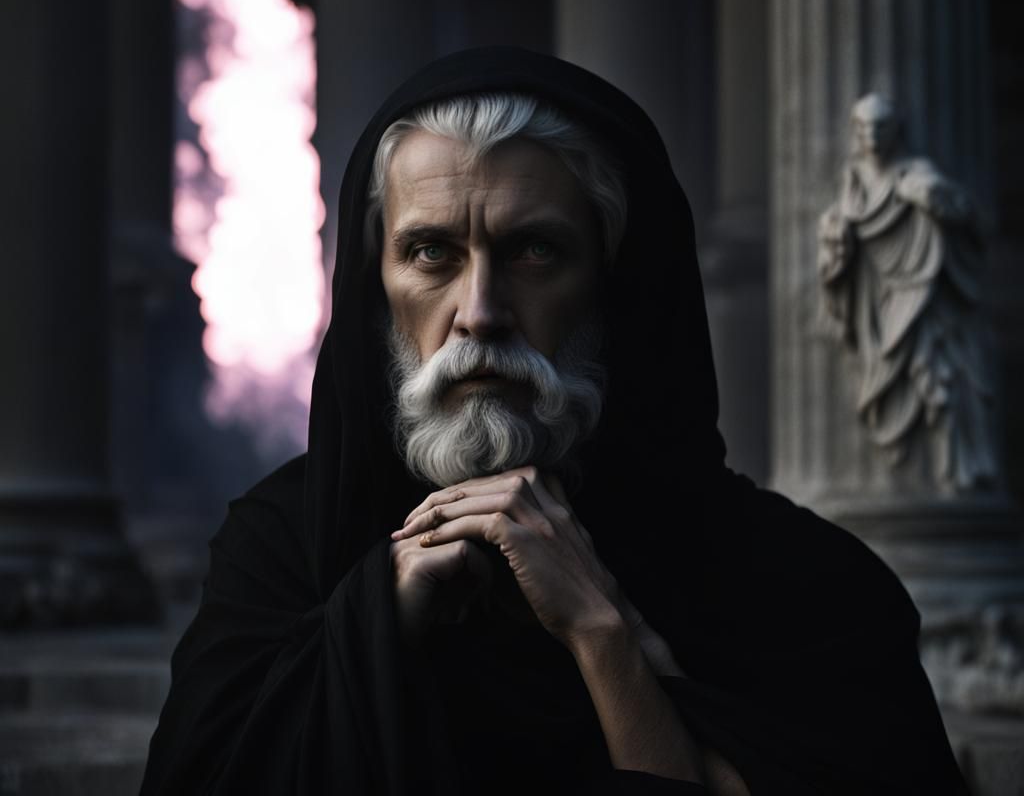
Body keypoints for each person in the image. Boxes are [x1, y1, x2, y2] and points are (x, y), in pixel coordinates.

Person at [140, 48, 968, 794]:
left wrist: (603, 636)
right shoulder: (279, 556)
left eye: (535, 251)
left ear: (612, 284)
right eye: (432, 253)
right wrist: (375, 619)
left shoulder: (806, 590)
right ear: (376, 288)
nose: (481, 313)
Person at [818, 93, 996, 490]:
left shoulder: (913, 172)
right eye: (864, 127)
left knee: (941, 379)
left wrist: (935, 197)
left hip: (917, 292)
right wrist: (835, 236)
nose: (872, 135)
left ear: (895, 130)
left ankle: (962, 464)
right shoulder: (853, 181)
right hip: (871, 301)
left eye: (880, 126)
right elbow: (842, 231)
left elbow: (965, 214)